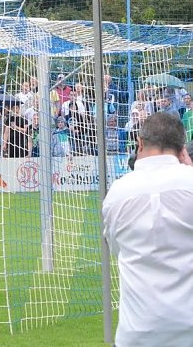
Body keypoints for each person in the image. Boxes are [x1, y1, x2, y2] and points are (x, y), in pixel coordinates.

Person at [102, 112, 193, 346]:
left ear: (140, 143)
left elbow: (116, 248)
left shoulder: (118, 192)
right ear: (182, 148)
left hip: (137, 333)